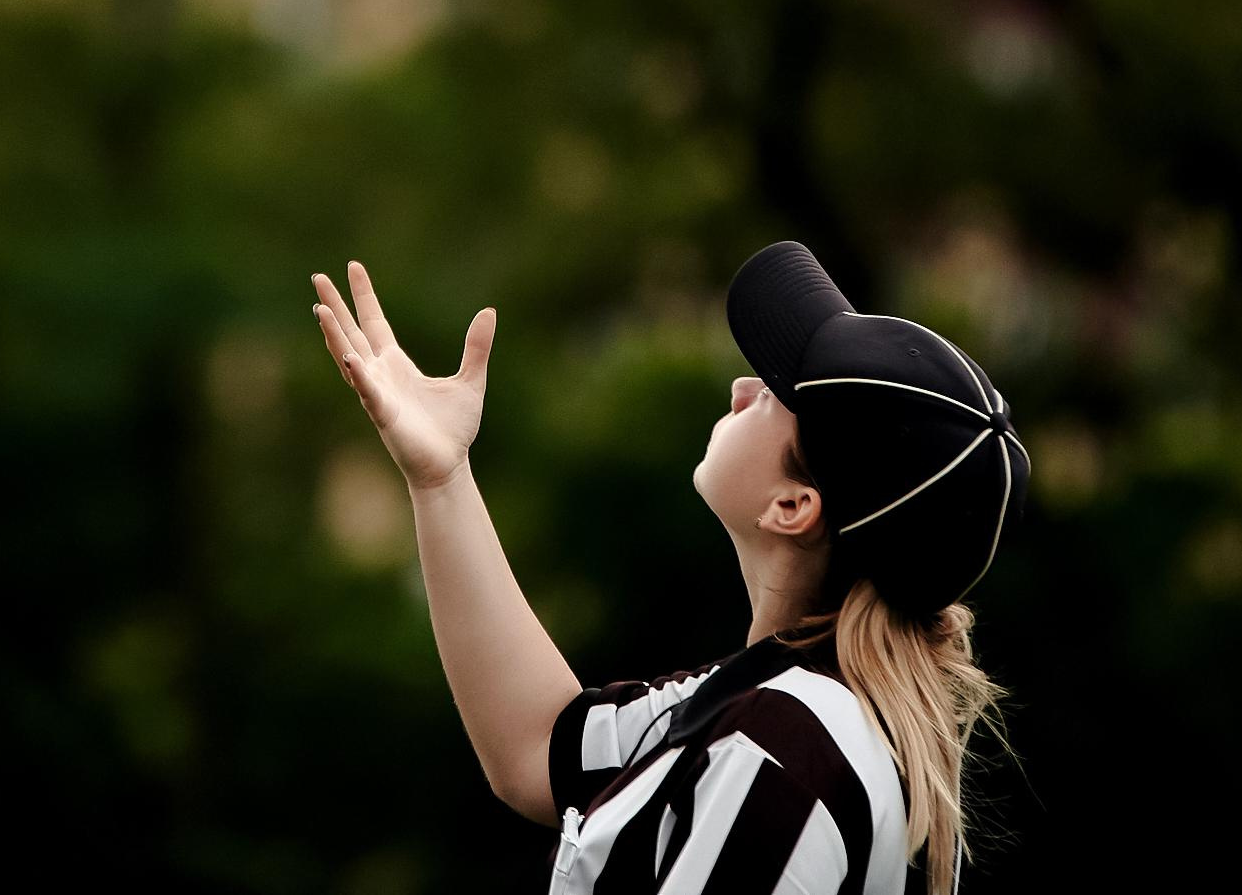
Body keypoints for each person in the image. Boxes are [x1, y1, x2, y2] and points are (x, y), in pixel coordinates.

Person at [310, 241, 1028, 894]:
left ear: (793, 504)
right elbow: (539, 748)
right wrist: (442, 479)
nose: (744, 388)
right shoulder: (791, 708)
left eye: (775, 392)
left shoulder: (777, 750)